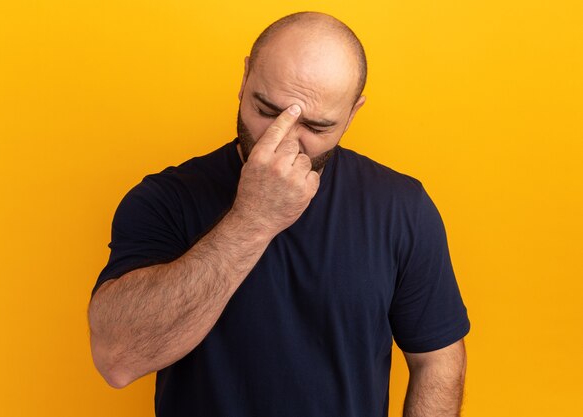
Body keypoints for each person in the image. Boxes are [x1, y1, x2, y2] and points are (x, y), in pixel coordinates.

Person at [88, 11, 470, 417]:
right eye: (268, 111)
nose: (284, 139)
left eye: (318, 127)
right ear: (245, 77)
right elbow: (118, 359)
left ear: (353, 114)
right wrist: (254, 219)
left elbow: (437, 360)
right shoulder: (164, 199)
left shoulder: (401, 206)